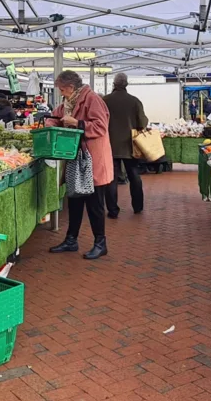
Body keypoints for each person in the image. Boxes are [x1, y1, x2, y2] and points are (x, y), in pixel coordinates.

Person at [47, 70, 113, 260]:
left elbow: (101, 126)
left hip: (91, 159)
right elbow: (56, 116)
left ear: (71, 87)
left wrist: (77, 123)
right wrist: (51, 123)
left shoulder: (92, 99)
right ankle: (71, 240)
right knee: (75, 200)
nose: (60, 93)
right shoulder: (68, 102)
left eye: (62, 89)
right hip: (76, 158)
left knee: (94, 204)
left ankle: (101, 244)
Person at [103, 73, 148, 218]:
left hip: (109, 146)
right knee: (134, 176)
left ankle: (113, 210)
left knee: (111, 178)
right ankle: (138, 206)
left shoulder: (105, 101)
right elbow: (143, 123)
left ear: (114, 84)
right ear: (126, 84)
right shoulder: (134, 101)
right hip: (130, 146)